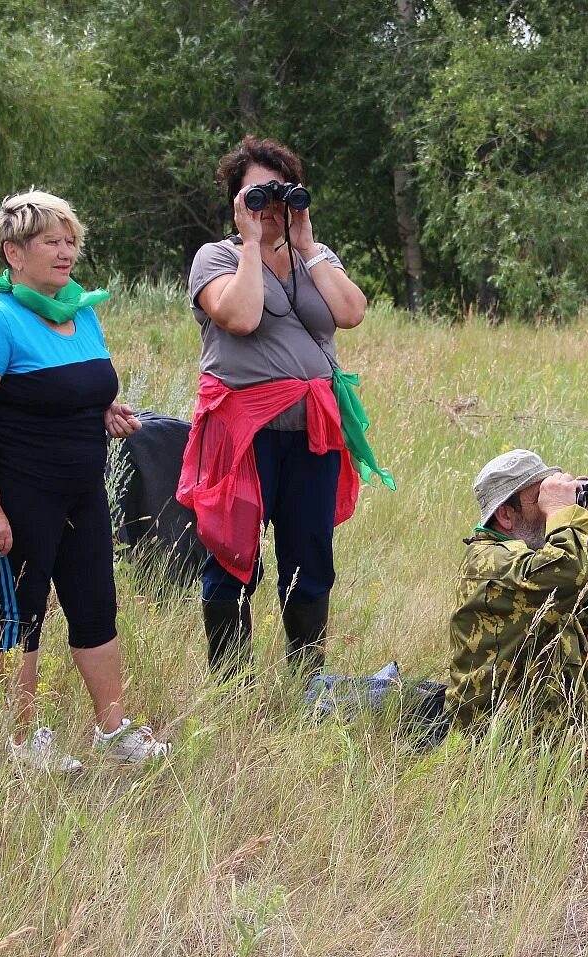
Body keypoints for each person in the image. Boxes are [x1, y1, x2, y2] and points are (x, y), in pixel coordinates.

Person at [0, 190, 170, 772]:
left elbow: (74, 388)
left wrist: (103, 413)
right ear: (13, 252)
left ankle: (114, 733)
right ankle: (22, 748)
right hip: (15, 494)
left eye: (71, 241)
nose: (66, 252)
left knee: (96, 605)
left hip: (81, 488)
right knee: (23, 612)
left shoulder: (79, 311)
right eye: (52, 242)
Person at [177, 136, 391, 685]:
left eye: (279, 194)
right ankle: (231, 686)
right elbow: (241, 316)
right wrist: (252, 243)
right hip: (243, 432)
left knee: (311, 553)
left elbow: (352, 312)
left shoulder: (313, 257)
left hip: (311, 431)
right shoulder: (217, 257)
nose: (269, 206)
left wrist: (306, 241)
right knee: (232, 551)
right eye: (256, 194)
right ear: (234, 199)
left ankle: (307, 682)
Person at [448, 450, 588, 738]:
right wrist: (560, 510)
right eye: (540, 498)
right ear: (506, 514)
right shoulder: (489, 562)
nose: (549, 507)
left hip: (549, 711)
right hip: (502, 729)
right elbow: (570, 572)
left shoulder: (537, 558)